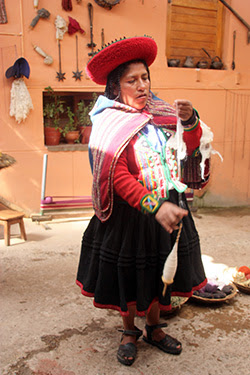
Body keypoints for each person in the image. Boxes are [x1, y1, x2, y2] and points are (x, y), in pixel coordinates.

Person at [76, 36, 215, 366]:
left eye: (145, 77)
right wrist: (154, 206)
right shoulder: (108, 122)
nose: (142, 85)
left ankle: (153, 327)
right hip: (132, 216)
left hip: (168, 208)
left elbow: (189, 149)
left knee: (158, 270)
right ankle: (128, 331)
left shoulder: (162, 112)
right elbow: (117, 176)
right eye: (132, 80)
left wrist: (191, 121)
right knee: (130, 273)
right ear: (115, 86)